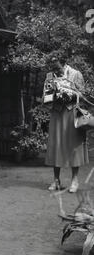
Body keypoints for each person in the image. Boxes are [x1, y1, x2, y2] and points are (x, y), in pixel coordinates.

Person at [45, 55, 89, 193]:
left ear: (64, 64)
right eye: (52, 68)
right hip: (57, 114)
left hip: (72, 114)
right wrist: (53, 95)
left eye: (57, 67)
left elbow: (83, 96)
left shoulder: (76, 74)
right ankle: (56, 180)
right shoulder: (49, 77)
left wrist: (69, 93)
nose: (55, 71)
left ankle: (74, 180)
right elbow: (45, 97)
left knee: (73, 146)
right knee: (55, 145)